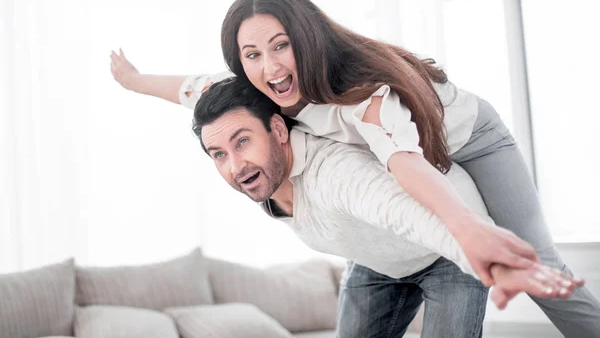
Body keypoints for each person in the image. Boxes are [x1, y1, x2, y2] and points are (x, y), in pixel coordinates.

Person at [110, 0, 600, 336]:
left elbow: (404, 162)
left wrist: (468, 230)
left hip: (468, 138)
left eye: (281, 46)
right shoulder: (250, 90)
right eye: (253, 55)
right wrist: (133, 81)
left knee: (541, 264)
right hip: (409, 161)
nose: (271, 66)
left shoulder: (359, 95)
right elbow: (187, 89)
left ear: (306, 37)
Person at [191, 76, 580, 338]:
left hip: (443, 250)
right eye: (218, 154)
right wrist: (136, 82)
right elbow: (190, 89)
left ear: (278, 130)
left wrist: (491, 261)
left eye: (242, 143)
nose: (234, 166)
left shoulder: (335, 173)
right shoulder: (263, 172)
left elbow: (409, 213)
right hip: (376, 261)